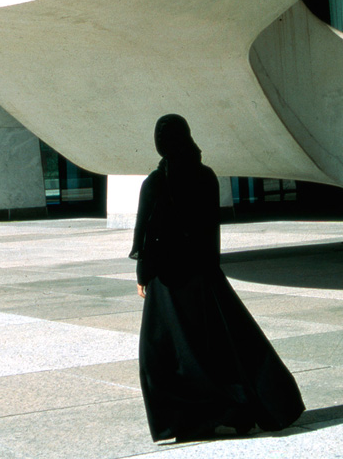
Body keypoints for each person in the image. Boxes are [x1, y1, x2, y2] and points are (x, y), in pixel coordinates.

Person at [130, 113, 305, 442]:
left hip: (168, 285)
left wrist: (143, 274)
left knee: (166, 356)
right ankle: (236, 410)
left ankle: (190, 420)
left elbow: (147, 235)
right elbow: (210, 231)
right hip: (203, 279)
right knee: (223, 348)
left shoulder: (155, 182)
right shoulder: (206, 176)